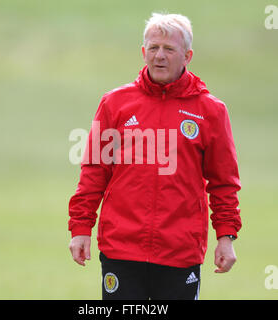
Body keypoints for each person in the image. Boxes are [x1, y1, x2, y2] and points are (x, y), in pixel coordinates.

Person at [68, 12, 242, 300]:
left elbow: (223, 182)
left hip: (180, 251)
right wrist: (81, 227)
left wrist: (226, 236)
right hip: (121, 248)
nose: (159, 56)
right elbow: (94, 170)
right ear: (143, 52)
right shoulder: (115, 104)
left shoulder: (210, 111)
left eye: (169, 49)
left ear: (187, 55)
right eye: (153, 48)